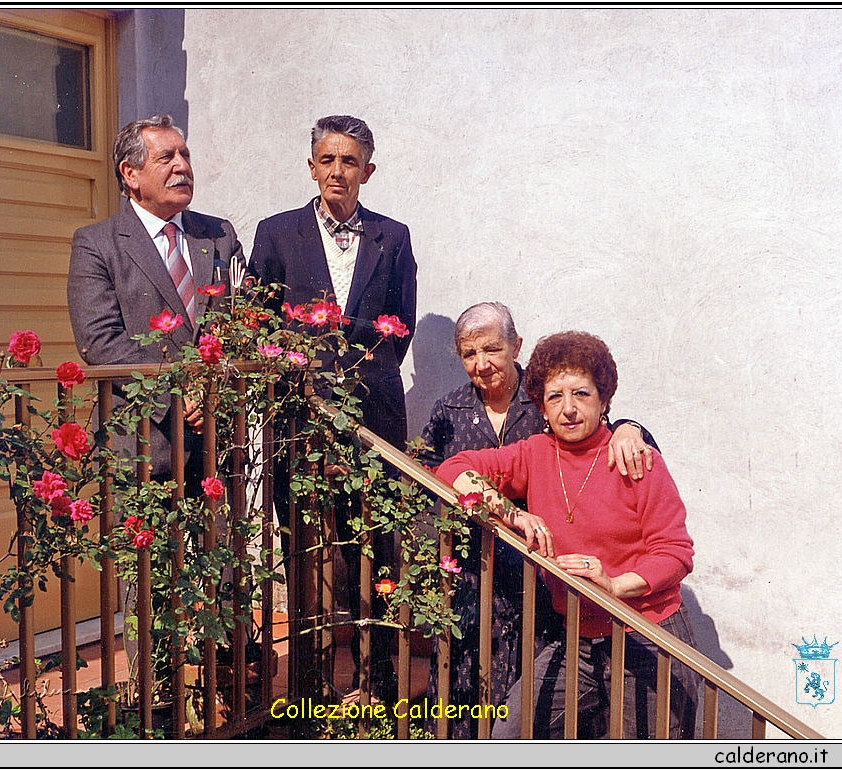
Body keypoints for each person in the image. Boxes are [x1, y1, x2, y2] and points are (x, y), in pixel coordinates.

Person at [435, 330, 699, 739]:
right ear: (541, 406)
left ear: (604, 400)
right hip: (577, 638)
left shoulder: (635, 459)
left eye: (581, 394)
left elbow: (676, 552)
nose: (569, 409)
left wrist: (613, 584)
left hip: (647, 635)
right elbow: (453, 468)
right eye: (555, 397)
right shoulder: (535, 453)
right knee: (510, 735)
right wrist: (510, 513)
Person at [248, 115, 417, 701]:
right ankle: (311, 689)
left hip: (374, 420)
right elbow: (255, 322)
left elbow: (399, 331)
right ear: (312, 166)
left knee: (378, 547)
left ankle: (381, 682)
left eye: (350, 161)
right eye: (327, 159)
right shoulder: (276, 232)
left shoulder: (392, 237)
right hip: (299, 421)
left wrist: (339, 333)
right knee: (308, 550)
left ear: (368, 171)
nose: (337, 171)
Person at [67, 114, 245, 483]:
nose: (182, 166)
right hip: (143, 443)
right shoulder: (98, 243)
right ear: (130, 174)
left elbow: (242, 319)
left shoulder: (218, 235)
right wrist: (176, 397)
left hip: (216, 442)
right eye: (167, 158)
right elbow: (100, 342)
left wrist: (213, 395)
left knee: (222, 542)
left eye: (185, 155)